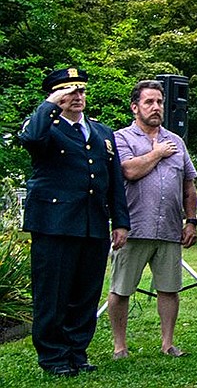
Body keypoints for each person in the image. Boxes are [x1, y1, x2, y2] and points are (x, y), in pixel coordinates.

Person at [17, 68, 130, 377]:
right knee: (53, 294)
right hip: (55, 223)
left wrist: (120, 221)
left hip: (92, 223)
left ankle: (77, 351)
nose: (78, 97)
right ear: (55, 96)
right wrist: (51, 104)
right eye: (69, 92)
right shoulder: (44, 126)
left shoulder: (101, 131)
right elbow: (29, 138)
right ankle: (54, 357)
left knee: (85, 294)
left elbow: (113, 181)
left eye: (81, 91)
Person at [108, 80, 197, 360]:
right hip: (133, 228)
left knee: (170, 289)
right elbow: (128, 170)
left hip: (169, 229)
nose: (156, 107)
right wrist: (158, 153)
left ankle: (167, 343)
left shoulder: (177, 141)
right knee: (121, 290)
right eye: (149, 102)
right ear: (135, 107)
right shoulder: (120, 138)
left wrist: (191, 220)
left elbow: (189, 185)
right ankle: (119, 347)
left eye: (159, 102)